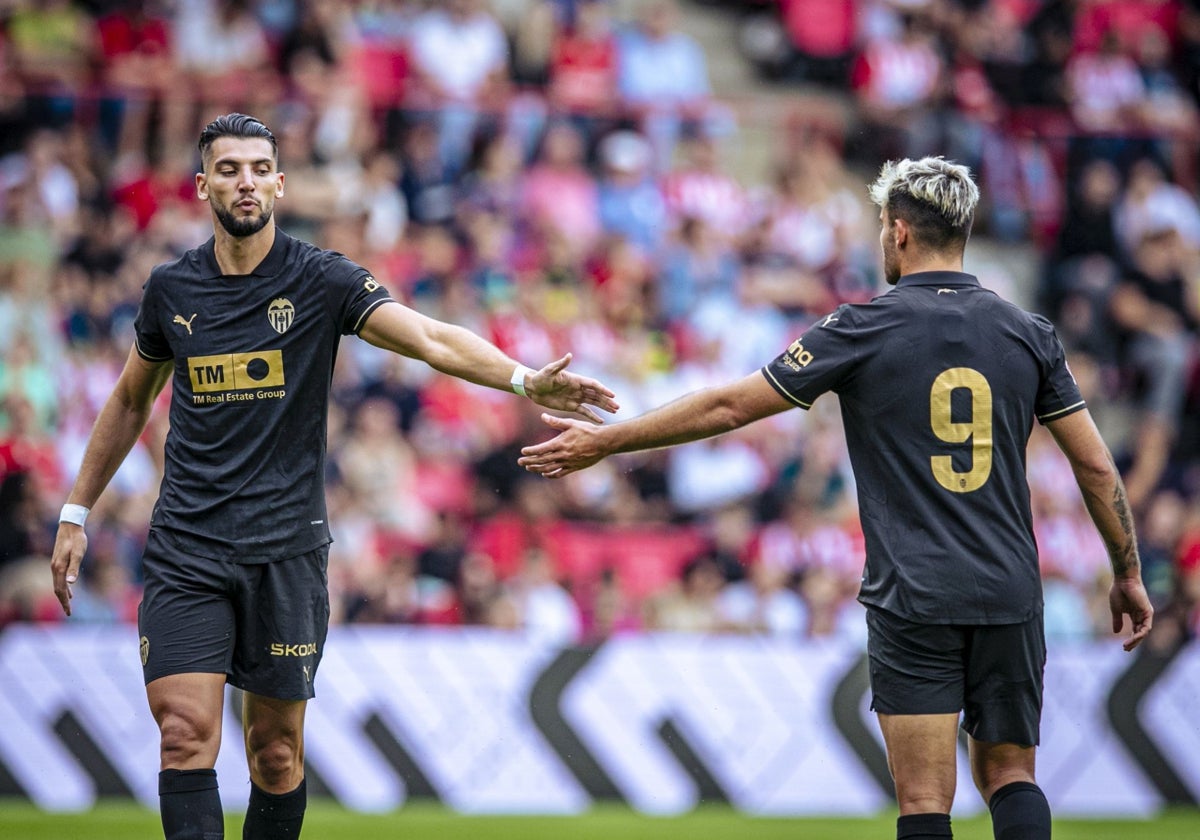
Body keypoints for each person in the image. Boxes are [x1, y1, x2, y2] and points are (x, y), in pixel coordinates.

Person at [519, 156, 1154, 840]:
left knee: (922, 800)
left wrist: (611, 441)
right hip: (1008, 588)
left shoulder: (860, 328)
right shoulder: (1030, 335)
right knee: (1011, 776)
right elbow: (1094, 465)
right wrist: (1126, 571)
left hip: (913, 592)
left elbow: (733, 405)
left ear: (901, 232)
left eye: (884, 226)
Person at [48, 113, 617, 840]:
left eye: (258, 168)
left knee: (275, 754)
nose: (244, 181)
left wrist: (521, 379)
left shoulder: (321, 279)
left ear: (280, 184)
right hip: (188, 545)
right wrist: (75, 511)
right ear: (202, 186)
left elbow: (430, 336)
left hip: (286, 551)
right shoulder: (172, 290)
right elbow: (131, 399)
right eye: (228, 169)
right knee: (185, 734)